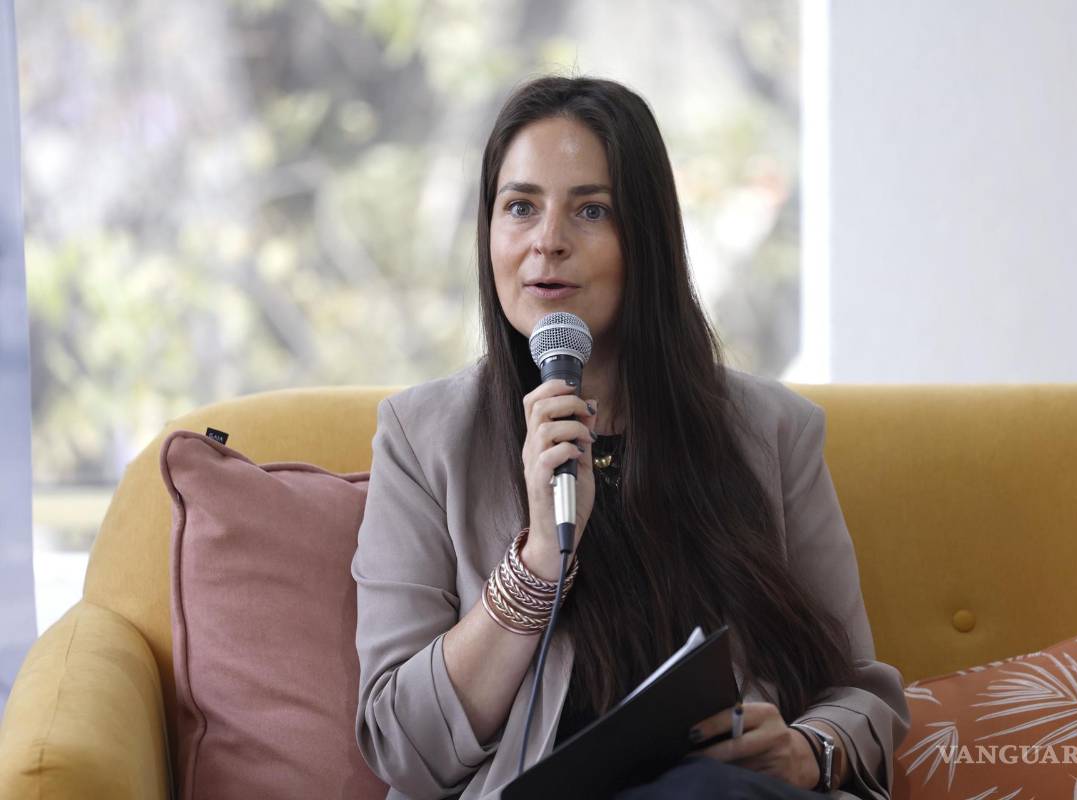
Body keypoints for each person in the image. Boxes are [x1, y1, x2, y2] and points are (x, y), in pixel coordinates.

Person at [352, 75, 910, 800]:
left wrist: (809, 751)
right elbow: (402, 746)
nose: (548, 242)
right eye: (520, 207)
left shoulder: (774, 432)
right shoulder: (422, 439)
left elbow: (861, 692)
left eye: (591, 210)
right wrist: (538, 562)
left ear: (646, 237)